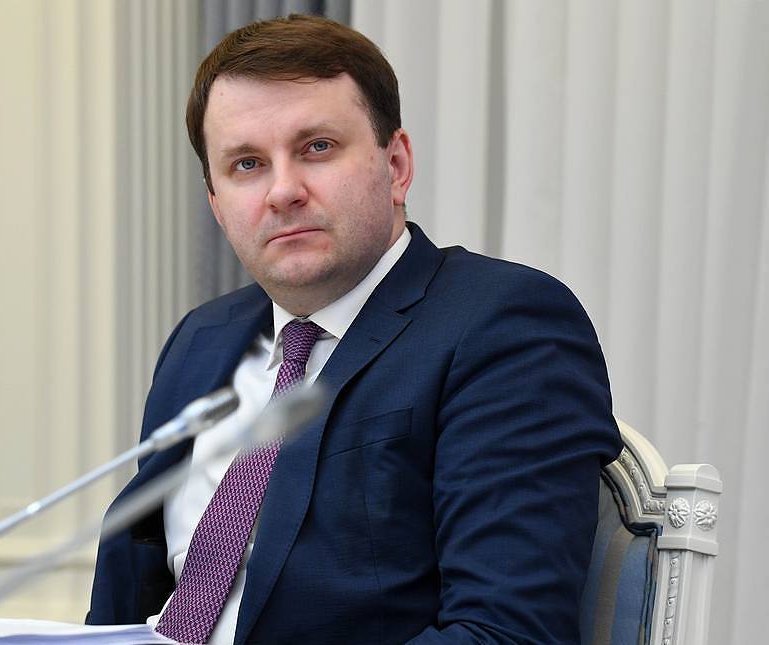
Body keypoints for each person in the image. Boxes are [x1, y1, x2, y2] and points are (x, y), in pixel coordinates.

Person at [87, 14, 622, 645]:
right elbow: (119, 612)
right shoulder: (199, 341)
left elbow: (505, 635)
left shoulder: (505, 325)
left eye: (317, 147)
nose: (283, 191)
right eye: (247, 164)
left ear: (395, 165)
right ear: (216, 203)